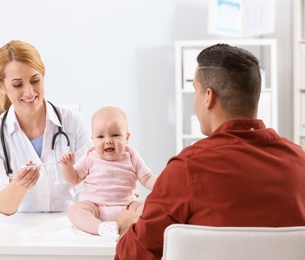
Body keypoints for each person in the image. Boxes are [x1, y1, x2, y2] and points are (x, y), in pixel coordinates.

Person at [115, 43, 305, 259]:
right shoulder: (300, 162)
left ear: (208, 96)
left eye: (195, 90)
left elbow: (133, 255)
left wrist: (127, 222)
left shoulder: (186, 168)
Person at [0, 40, 92, 215]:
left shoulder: (73, 123)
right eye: (17, 85)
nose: (30, 92)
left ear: (43, 75)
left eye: (35, 80)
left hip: (69, 226)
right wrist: (18, 186)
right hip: (19, 234)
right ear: (1, 86)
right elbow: (2, 207)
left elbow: (88, 187)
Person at [60, 106, 157, 241]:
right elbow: (74, 179)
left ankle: (134, 227)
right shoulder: (89, 157)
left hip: (128, 207)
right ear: (93, 139)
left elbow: (147, 178)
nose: (108, 140)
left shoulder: (132, 156)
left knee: (147, 206)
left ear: (127, 137)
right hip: (96, 208)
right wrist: (67, 167)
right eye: (100, 136)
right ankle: (101, 228)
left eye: (115, 135)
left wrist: (164, 185)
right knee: (75, 211)